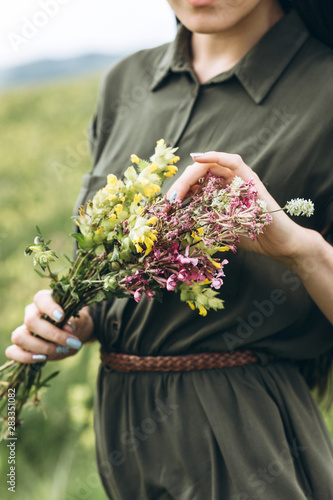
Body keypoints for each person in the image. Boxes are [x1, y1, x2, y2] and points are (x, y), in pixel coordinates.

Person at [5, 0, 333, 498]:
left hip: (246, 438)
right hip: (121, 434)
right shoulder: (126, 80)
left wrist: (302, 250)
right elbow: (121, 268)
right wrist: (77, 321)